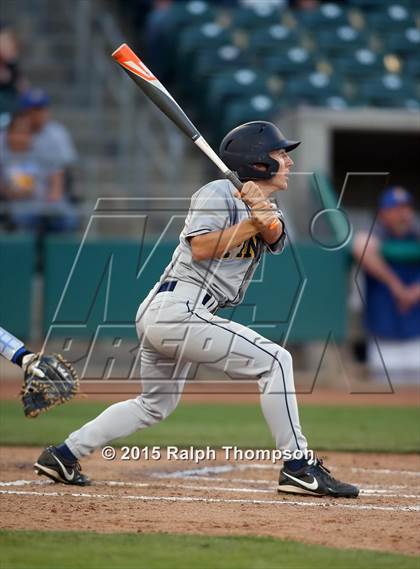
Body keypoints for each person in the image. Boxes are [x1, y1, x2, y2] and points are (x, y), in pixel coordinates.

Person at [34, 121, 359, 498]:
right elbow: (202, 248)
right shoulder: (216, 192)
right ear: (257, 163)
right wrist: (251, 221)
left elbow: (275, 237)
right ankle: (298, 466)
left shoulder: (267, 205)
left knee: (154, 405)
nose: (288, 161)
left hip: (177, 311)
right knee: (275, 361)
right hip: (178, 306)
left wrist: (260, 215)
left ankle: (64, 454)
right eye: (280, 154)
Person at [353, 186, 420, 379]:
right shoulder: (377, 234)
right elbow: (360, 247)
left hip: (416, 333)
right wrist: (397, 287)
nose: (403, 214)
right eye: (396, 209)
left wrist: (414, 291)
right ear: (383, 213)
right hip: (384, 336)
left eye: (406, 208)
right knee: (385, 392)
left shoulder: (415, 233)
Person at [0, 112, 78, 232]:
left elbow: (56, 182)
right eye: (17, 133)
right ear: (8, 134)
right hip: (18, 208)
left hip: (46, 206)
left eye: (26, 133)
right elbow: (8, 190)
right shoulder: (3, 158)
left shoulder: (43, 153)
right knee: (25, 219)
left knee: (68, 218)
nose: (21, 138)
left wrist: (51, 199)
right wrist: (11, 193)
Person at [19, 88, 78, 201]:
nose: (40, 113)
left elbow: (66, 165)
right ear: (25, 112)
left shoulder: (58, 133)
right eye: (35, 109)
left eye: (43, 108)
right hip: (22, 190)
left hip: (52, 188)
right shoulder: (14, 134)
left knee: (65, 216)